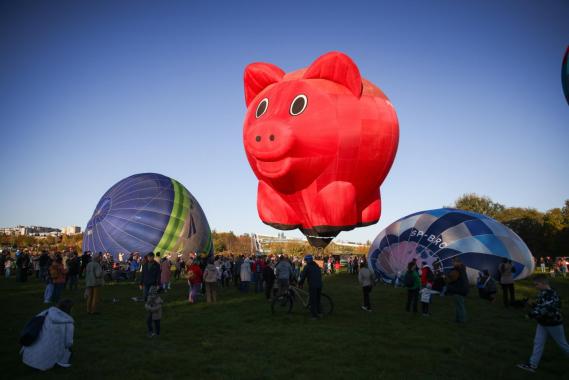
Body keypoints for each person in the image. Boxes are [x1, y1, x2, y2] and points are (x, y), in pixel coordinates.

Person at [517, 274, 569, 372]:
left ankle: (532, 364)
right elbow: (540, 305)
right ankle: (532, 365)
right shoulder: (543, 292)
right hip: (542, 323)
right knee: (538, 343)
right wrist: (532, 304)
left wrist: (530, 315)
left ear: (543, 283)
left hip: (553, 323)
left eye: (536, 284)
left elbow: (546, 308)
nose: (535, 286)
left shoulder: (552, 295)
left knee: (562, 344)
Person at [20, 299, 74, 371]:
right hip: (45, 364)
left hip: (27, 358)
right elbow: (68, 343)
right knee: (68, 349)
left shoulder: (45, 313)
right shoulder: (68, 323)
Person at [445, 258, 469, 323]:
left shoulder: (457, 270)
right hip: (461, 289)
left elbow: (452, 278)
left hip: (458, 289)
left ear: (458, 262)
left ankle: (461, 320)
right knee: (459, 305)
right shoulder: (462, 268)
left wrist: (446, 278)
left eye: (454, 262)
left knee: (460, 305)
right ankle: (459, 319)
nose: (453, 263)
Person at [299, 255, 322, 320]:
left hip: (313, 285)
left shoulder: (307, 267)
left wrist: (300, 283)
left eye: (305, 260)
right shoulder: (316, 265)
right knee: (318, 299)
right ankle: (320, 312)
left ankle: (314, 316)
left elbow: (303, 276)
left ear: (307, 260)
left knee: (313, 301)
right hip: (319, 284)